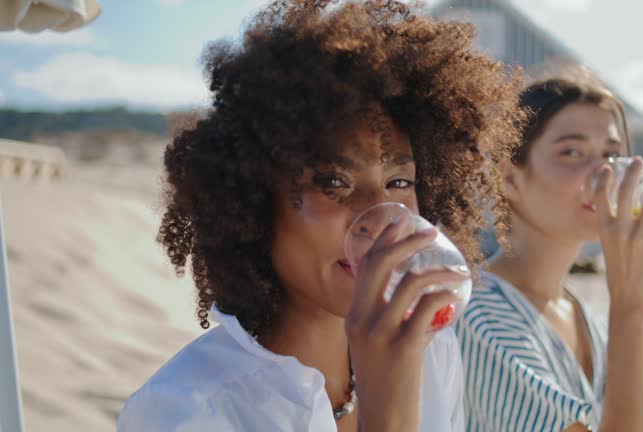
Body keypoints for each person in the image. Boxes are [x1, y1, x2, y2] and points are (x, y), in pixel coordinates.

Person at [116, 0, 521, 430]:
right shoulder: (184, 412)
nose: (380, 216)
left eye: (399, 182)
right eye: (333, 182)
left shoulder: (434, 351)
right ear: (253, 201)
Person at [457, 78, 643, 431]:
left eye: (610, 154)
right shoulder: (479, 317)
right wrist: (631, 309)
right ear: (510, 179)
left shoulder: (579, 314)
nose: (603, 174)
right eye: (571, 152)